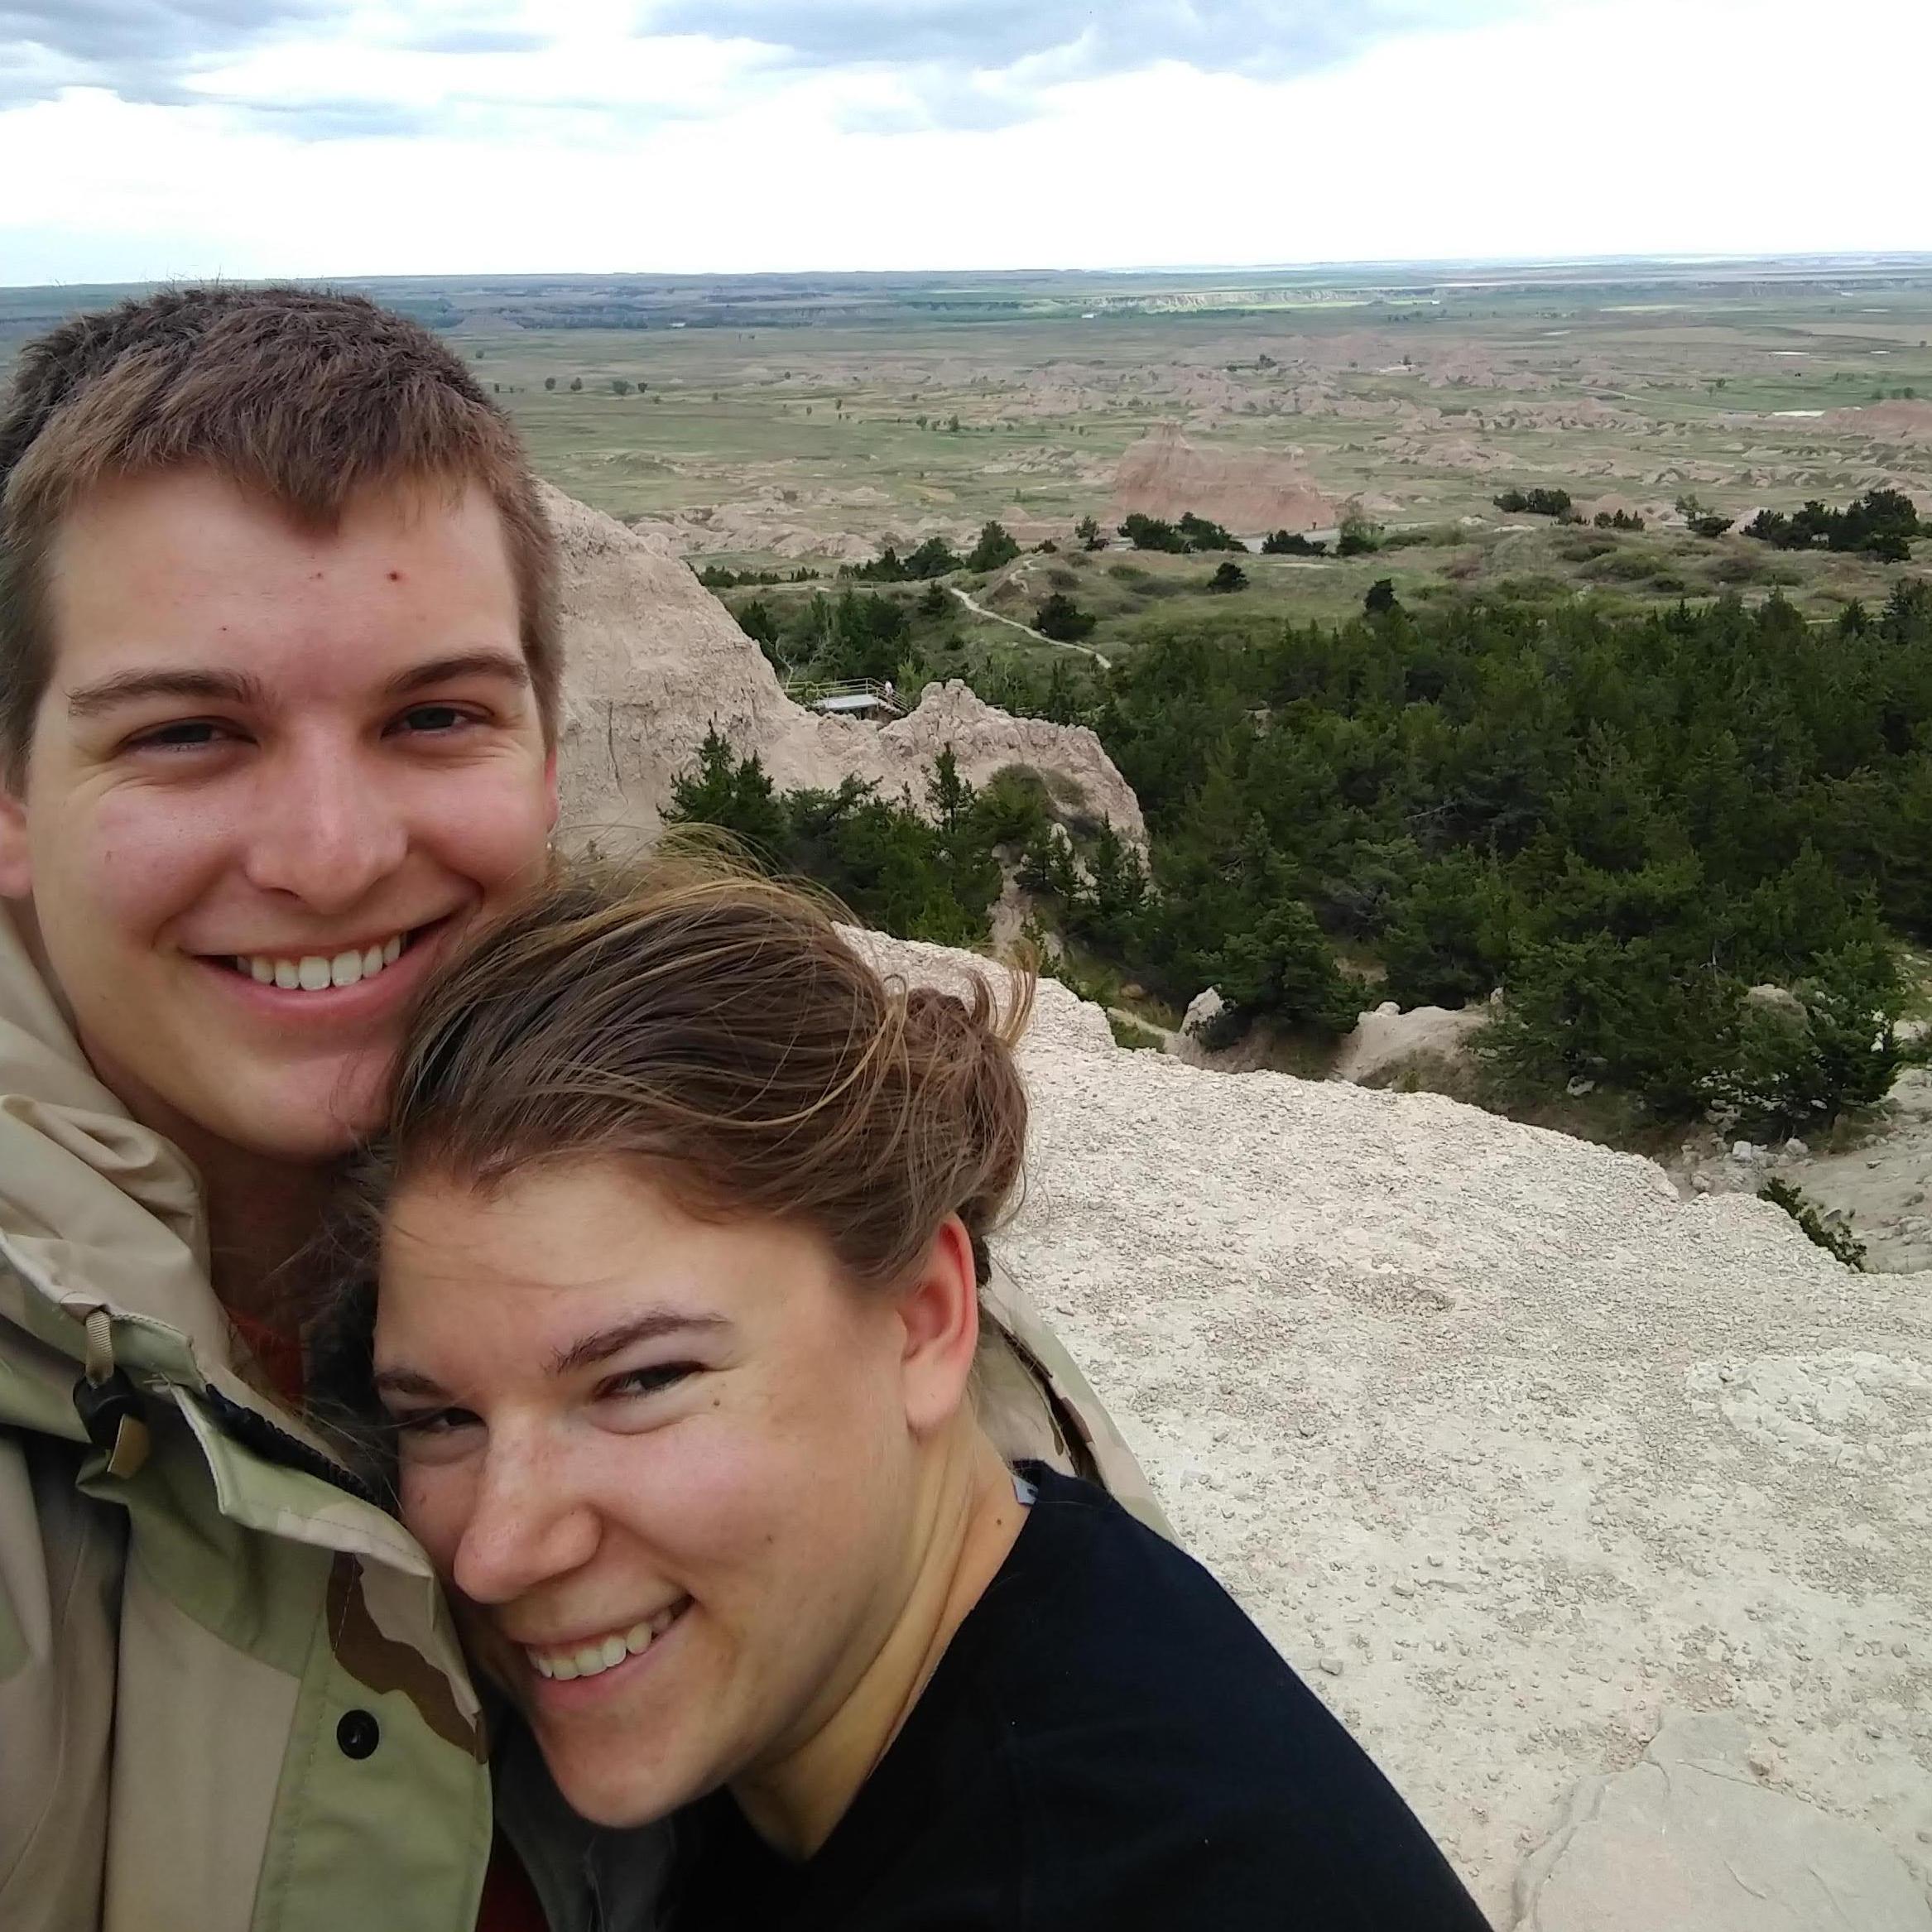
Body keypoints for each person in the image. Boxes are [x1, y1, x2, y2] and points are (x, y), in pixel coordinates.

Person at [0, 285, 1151, 1931]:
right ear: (12, 803)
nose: (329, 856)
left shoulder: (693, 1136)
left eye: (433, 719)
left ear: (550, 758)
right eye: (189, 734)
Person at [355, 861, 1490, 1931]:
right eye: (438, 1416)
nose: (496, 1553)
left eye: (639, 1380)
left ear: (922, 1317)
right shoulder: (982, 1609)